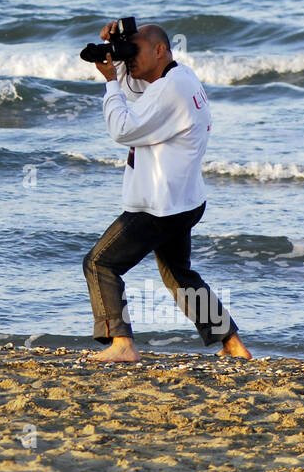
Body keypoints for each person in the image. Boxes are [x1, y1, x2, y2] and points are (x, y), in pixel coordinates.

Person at [83, 20, 251, 362]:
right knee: (181, 276)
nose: (131, 60)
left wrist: (111, 83)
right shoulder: (178, 77)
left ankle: (122, 344)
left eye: (136, 51)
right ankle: (233, 346)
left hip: (158, 207)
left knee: (100, 263)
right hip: (184, 201)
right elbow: (139, 95)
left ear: (159, 50)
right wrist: (119, 58)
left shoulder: (170, 90)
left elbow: (123, 128)